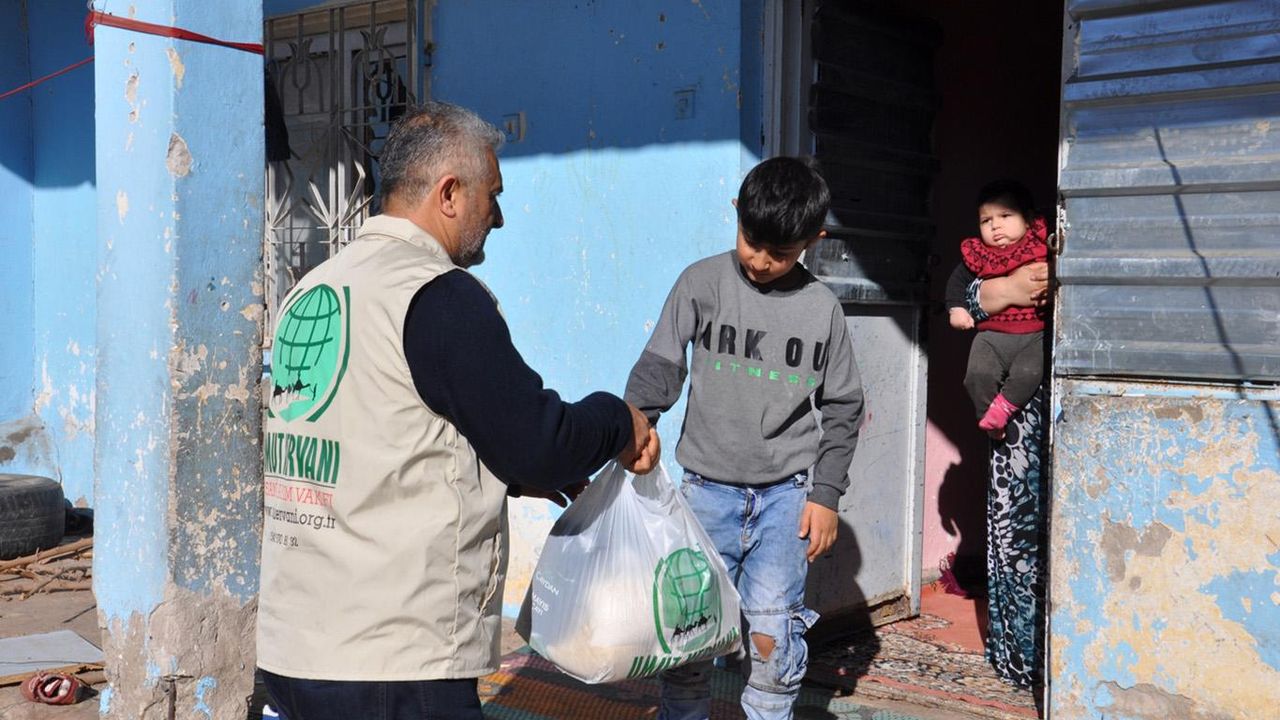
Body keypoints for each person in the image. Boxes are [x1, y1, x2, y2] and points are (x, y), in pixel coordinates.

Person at [256, 100, 660, 720]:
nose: (498, 217)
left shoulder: (315, 287)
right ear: (449, 193)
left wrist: (507, 476)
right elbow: (541, 443)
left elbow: (383, 432)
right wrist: (618, 420)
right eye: (490, 195)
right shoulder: (437, 296)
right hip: (392, 661)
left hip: (294, 650)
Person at [624, 156, 864, 720]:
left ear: (813, 241)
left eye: (779, 253)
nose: (759, 261)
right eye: (751, 242)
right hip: (704, 496)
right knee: (689, 633)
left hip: (786, 502)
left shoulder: (822, 309)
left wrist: (826, 495)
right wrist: (635, 424)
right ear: (737, 212)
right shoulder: (701, 282)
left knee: (773, 636)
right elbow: (661, 364)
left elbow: (844, 405)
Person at [965, 260, 1050, 690]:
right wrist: (1011, 289)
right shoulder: (985, 259)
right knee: (1015, 535)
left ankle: (1050, 662)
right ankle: (1019, 657)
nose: (995, 229)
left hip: (1052, 410)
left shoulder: (1052, 255)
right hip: (1014, 428)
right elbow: (970, 299)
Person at [944, 180, 1049, 439]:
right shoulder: (980, 255)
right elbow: (957, 283)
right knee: (977, 375)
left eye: (1005, 216)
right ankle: (988, 419)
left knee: (1029, 373)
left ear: (1028, 220)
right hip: (991, 336)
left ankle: (1003, 410)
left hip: (1035, 334)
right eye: (986, 220)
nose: (995, 226)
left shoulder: (1040, 247)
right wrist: (956, 310)